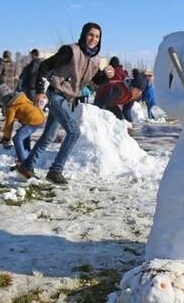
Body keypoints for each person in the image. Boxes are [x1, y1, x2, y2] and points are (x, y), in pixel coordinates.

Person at [17, 22, 114, 184]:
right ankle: (55, 170)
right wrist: (40, 90)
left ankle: (27, 166)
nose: (93, 39)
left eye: (97, 36)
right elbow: (44, 66)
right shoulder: (70, 51)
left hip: (68, 98)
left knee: (48, 136)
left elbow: (94, 81)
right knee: (74, 132)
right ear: (84, 35)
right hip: (56, 94)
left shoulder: (96, 59)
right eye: (90, 35)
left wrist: (105, 76)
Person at [0, 84, 45, 164]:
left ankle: (22, 161)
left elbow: (9, 124)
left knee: (17, 139)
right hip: (40, 117)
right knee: (22, 134)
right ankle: (26, 152)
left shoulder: (11, 106)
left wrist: (6, 138)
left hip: (33, 121)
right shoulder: (21, 99)